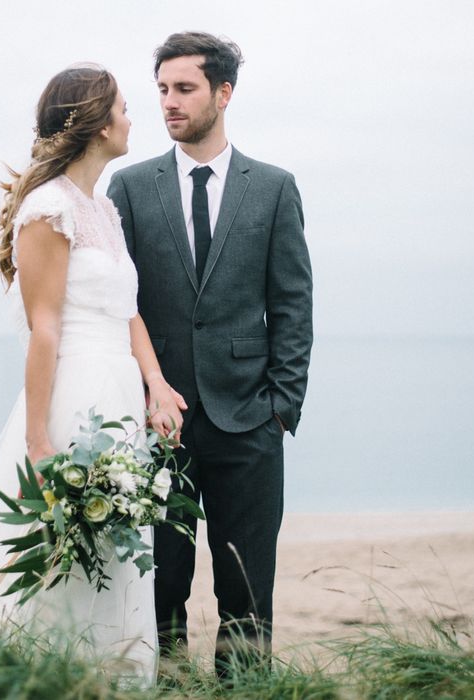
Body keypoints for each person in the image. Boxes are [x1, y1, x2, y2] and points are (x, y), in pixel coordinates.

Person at [0, 65, 185, 685]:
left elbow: (127, 310)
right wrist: (39, 440)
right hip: (73, 396)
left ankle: (102, 677)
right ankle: (27, 676)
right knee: (56, 547)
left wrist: (156, 383)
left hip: (118, 398)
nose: (132, 117)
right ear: (96, 124)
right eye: (123, 107)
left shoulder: (103, 209)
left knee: (113, 545)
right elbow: (45, 329)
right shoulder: (47, 209)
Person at [107, 32, 313, 672]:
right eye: (163, 90)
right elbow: (118, 302)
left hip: (249, 421)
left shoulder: (274, 188)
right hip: (156, 423)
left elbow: (293, 304)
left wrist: (281, 405)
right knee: (158, 588)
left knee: (246, 592)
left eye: (185, 89)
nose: (169, 102)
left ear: (223, 94)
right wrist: (139, 395)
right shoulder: (131, 186)